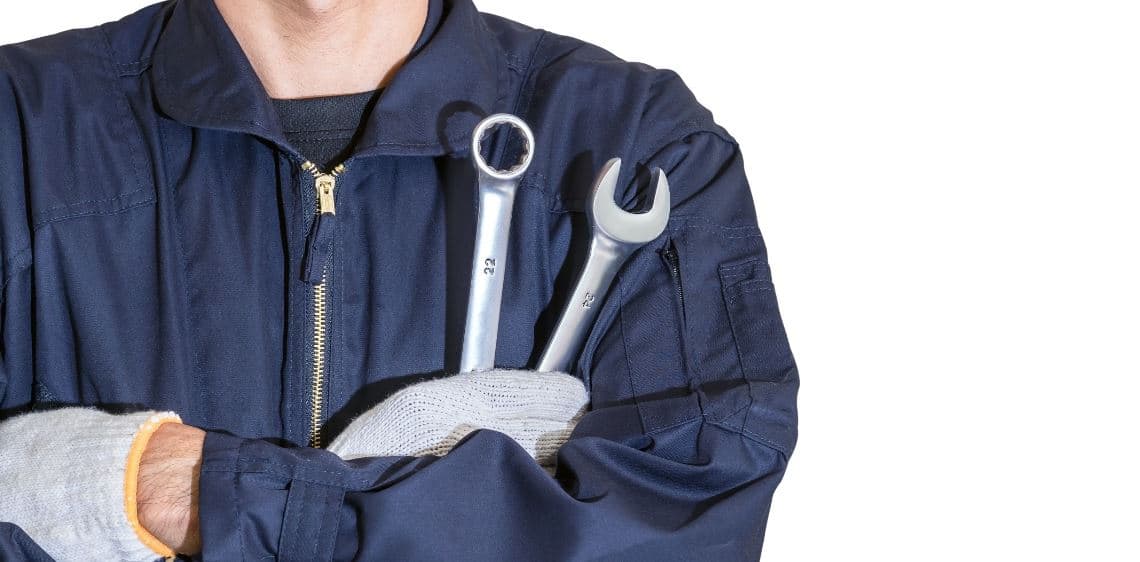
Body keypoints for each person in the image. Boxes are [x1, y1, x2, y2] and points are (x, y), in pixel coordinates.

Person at [0, 0, 799, 559]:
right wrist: (452, 515)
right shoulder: (17, 130)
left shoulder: (638, 138)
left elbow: (684, 523)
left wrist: (179, 493)